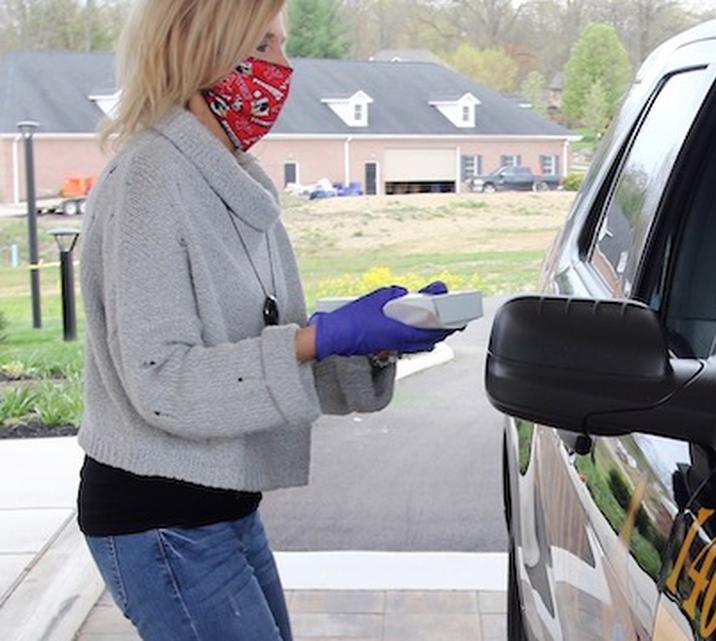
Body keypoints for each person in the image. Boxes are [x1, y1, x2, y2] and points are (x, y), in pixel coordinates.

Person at [76, 1, 451, 639]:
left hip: (220, 509)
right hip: (162, 517)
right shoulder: (150, 177)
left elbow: (264, 355)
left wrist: (375, 343)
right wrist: (319, 338)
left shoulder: (229, 183)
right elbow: (163, 382)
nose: (284, 68)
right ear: (202, 52)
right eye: (265, 46)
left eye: (282, 45)